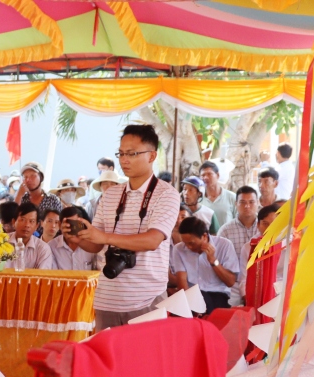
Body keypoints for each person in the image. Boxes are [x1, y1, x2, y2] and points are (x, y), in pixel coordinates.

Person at [67, 124, 180, 330]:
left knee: (144, 362)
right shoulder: (111, 194)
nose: (124, 160)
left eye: (132, 153)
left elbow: (152, 240)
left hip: (146, 300)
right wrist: (79, 238)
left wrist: (104, 237)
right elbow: (95, 245)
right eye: (121, 153)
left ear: (152, 156)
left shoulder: (167, 193)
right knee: (105, 362)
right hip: (106, 298)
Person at [171, 216, 239, 314]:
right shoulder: (179, 249)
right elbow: (182, 283)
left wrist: (213, 261)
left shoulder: (225, 245)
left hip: (217, 294)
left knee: (206, 305)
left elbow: (230, 282)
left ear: (204, 236)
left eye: (191, 243)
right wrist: (188, 303)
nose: (188, 247)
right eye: (185, 243)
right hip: (191, 293)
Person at [218, 186, 262, 306]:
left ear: (258, 203)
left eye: (251, 202)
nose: (247, 206)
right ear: (236, 204)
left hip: (261, 281)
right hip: (234, 284)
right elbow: (219, 261)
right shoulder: (225, 231)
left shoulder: (265, 227)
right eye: (242, 202)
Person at [53, 206, 98, 271]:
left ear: (82, 224)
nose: (72, 228)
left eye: (75, 224)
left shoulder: (92, 245)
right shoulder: (51, 247)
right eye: (69, 224)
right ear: (60, 225)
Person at [11, 202, 53, 270]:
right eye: (22, 220)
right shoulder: (0, 243)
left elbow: (42, 276)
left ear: (36, 226)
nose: (27, 225)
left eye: (31, 221)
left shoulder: (43, 248)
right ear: (13, 222)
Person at [199, 161, 235, 228]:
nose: (206, 177)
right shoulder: (198, 200)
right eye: (203, 175)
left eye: (209, 174)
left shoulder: (232, 197)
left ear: (218, 175)